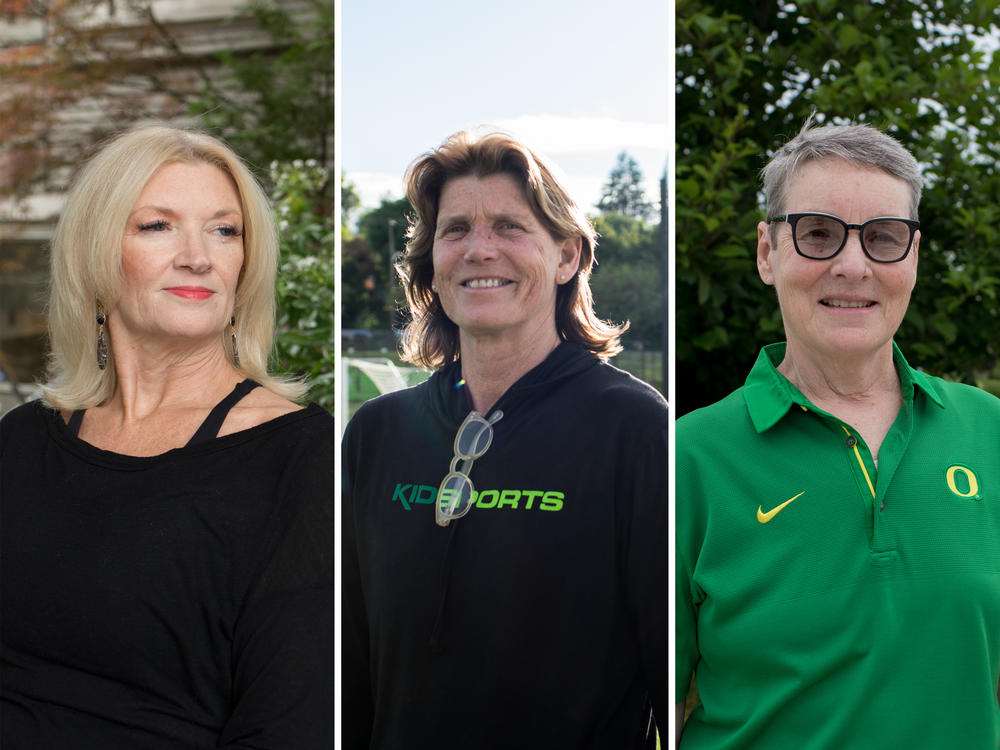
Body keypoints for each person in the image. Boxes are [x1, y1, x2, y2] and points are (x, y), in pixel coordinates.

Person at [0, 126, 334, 748]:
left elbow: (292, 725)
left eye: (224, 230)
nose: (198, 257)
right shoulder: (20, 443)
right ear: (96, 254)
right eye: (158, 226)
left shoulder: (301, 461)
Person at [676, 118, 1000, 748]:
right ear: (769, 253)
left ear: (912, 257)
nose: (853, 266)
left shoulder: (990, 431)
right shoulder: (687, 458)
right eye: (819, 234)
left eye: (883, 237)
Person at [342, 129, 667, 748]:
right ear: (432, 262)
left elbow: (671, 681)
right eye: (456, 228)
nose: (479, 249)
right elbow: (349, 669)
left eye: (511, 227)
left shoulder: (634, 430)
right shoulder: (375, 435)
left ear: (567, 256)